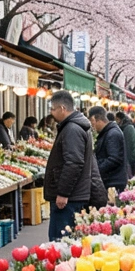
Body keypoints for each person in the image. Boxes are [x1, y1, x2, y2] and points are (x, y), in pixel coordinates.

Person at [43, 92, 105, 240]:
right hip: (75, 194)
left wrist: (63, 193)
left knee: (62, 241)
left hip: (70, 198)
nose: (51, 113)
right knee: (68, 240)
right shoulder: (75, 126)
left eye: (53, 109)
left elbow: (74, 163)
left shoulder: (72, 129)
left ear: (62, 108)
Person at [92, 106, 129, 194]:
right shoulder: (109, 132)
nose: (92, 126)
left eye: (92, 122)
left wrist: (96, 169)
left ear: (97, 119)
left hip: (113, 182)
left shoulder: (112, 134)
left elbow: (114, 159)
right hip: (112, 180)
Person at [119, 112, 135, 178]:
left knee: (133, 173)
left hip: (132, 156)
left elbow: (131, 143)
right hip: (133, 155)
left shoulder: (127, 129)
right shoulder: (130, 127)